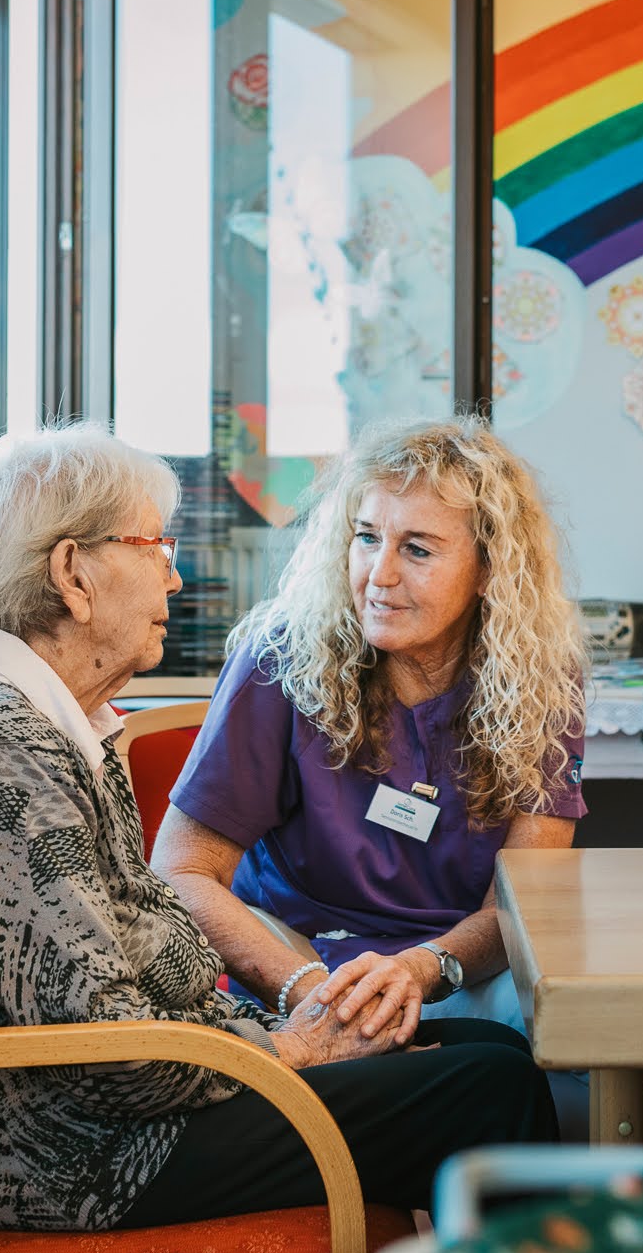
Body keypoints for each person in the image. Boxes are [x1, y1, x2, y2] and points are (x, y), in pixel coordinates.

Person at [0, 425, 555, 1234]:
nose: (175, 574)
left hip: (119, 1101)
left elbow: (119, 968)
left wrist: (266, 1031)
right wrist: (297, 1047)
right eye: (153, 546)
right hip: (61, 1152)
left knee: (492, 1055)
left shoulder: (30, 720)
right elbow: (111, 1048)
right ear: (73, 575)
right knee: (491, 1089)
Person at [155, 416, 586, 1036]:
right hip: (295, 959)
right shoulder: (281, 658)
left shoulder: (539, 675)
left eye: (417, 549)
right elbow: (182, 869)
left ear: (491, 568)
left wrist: (422, 968)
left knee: (563, 1033)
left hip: (456, 967)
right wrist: (318, 995)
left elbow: (522, 903)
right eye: (365, 537)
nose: (378, 576)